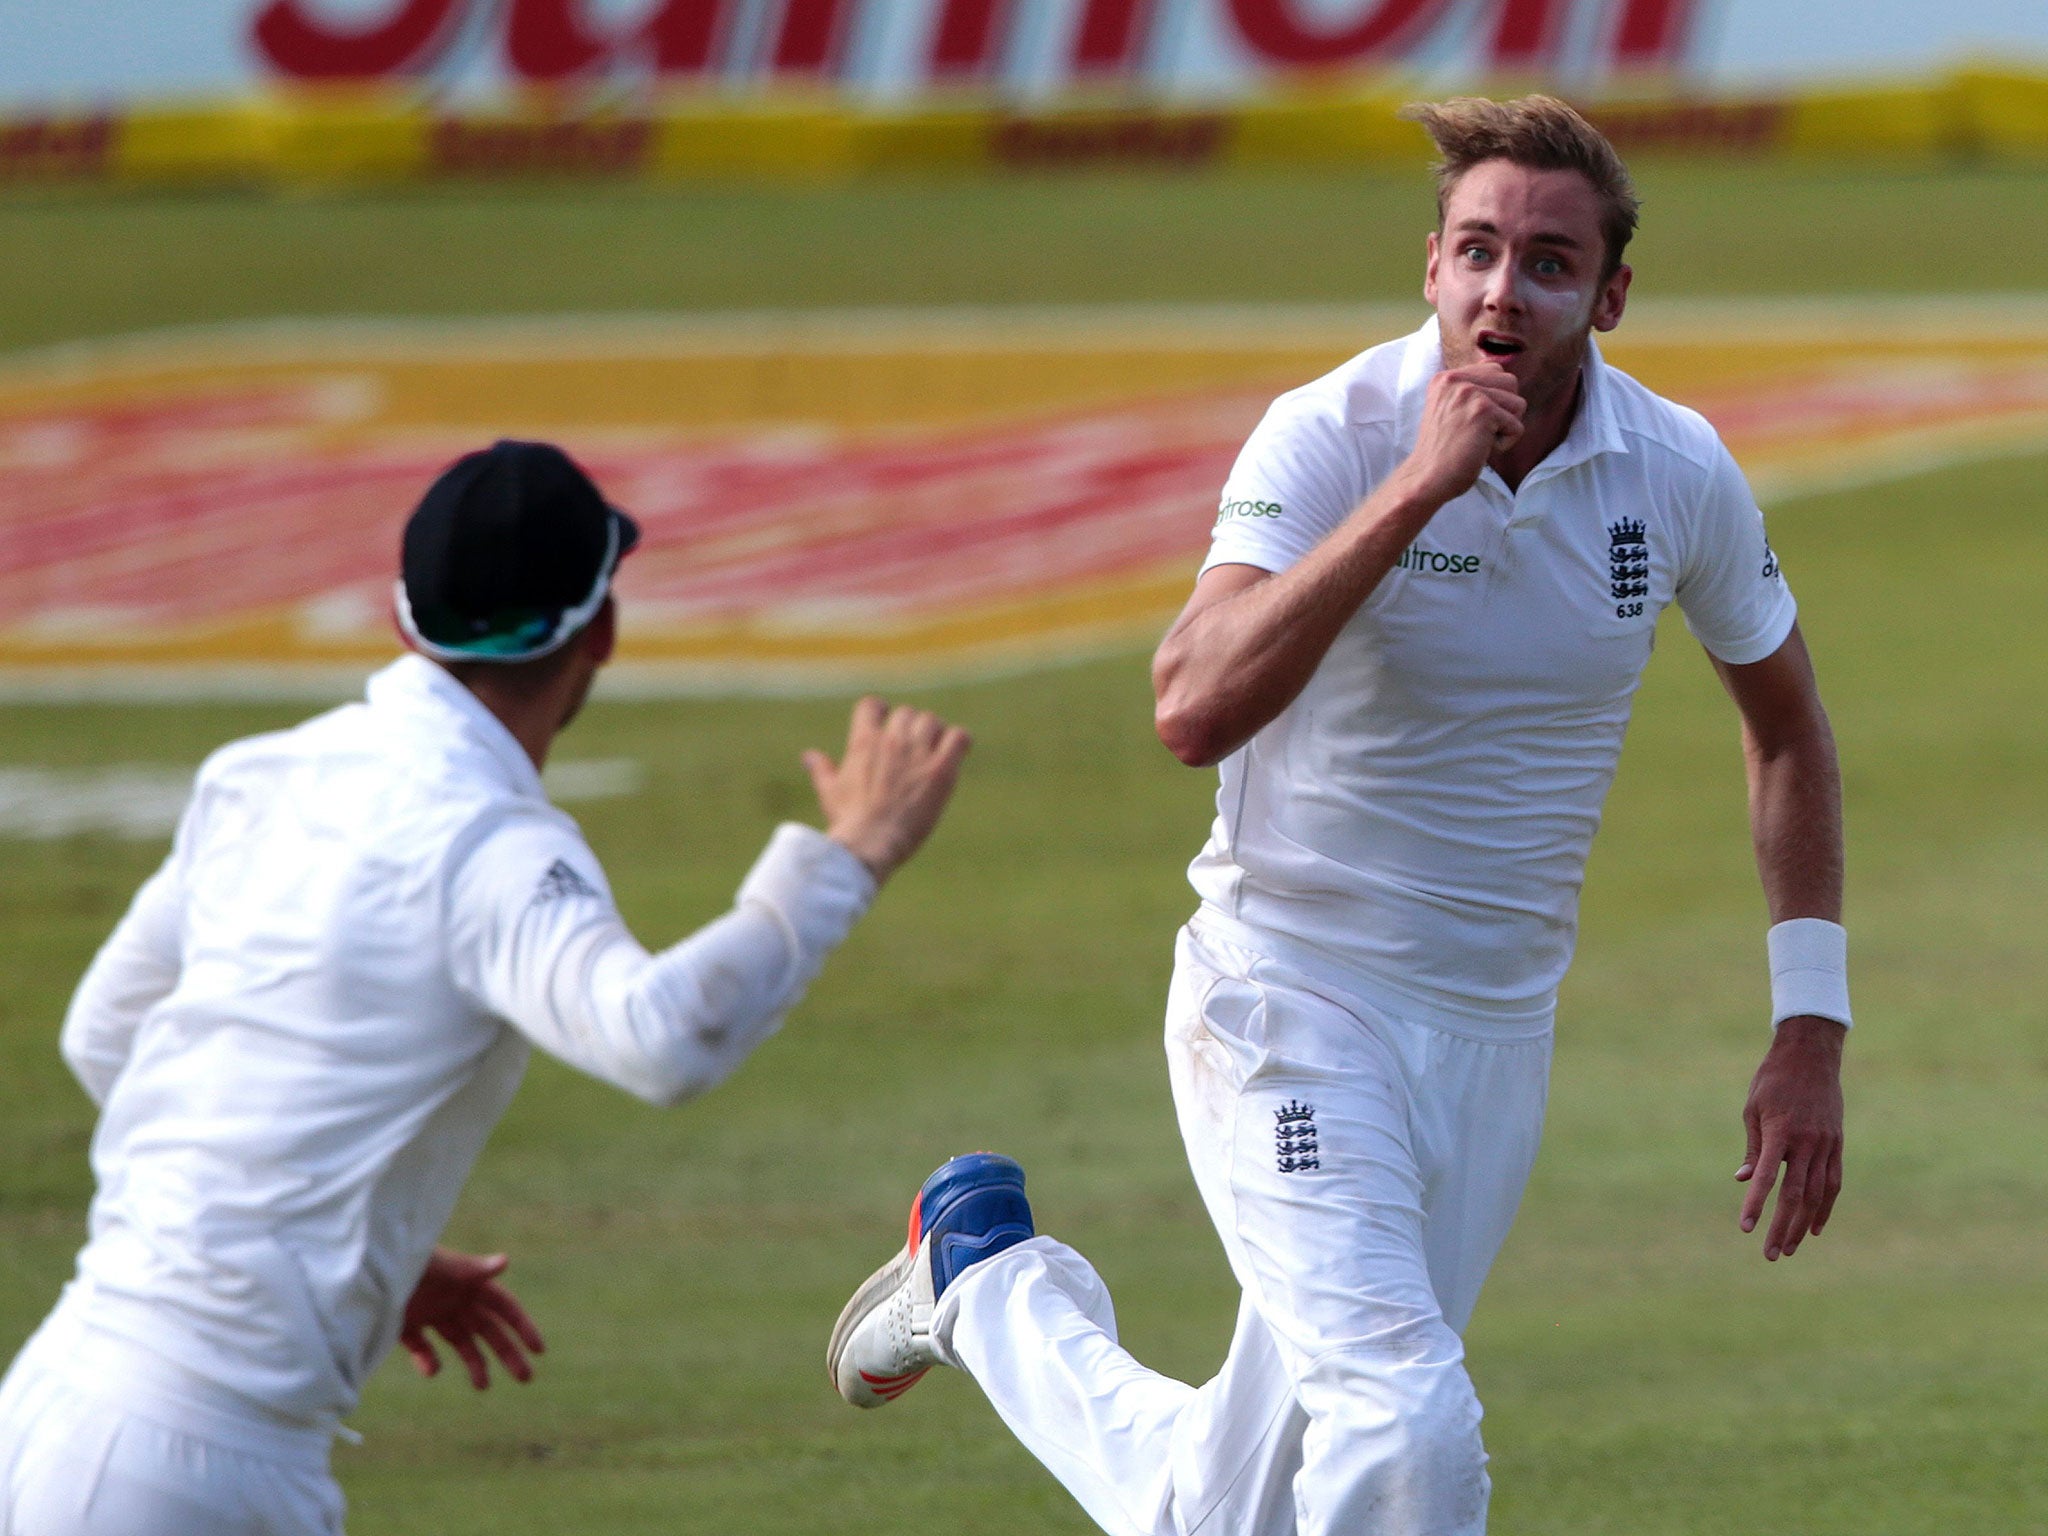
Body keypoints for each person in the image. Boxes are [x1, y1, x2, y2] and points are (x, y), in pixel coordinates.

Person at [827, 95, 1850, 1536]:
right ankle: (986, 1289)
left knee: (1229, 1507)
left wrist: (1811, 1024)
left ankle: (984, 1287)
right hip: (1288, 1006)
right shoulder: (1331, 434)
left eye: (1550, 264)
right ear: (1430, 267)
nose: (1507, 291)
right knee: (1405, 1423)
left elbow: (1788, 729)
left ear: (1610, 296)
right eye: (1479, 251)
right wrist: (1420, 489)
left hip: (1495, 1041)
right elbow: (1190, 706)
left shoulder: (1675, 471)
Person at [0, 439, 971, 1536]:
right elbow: (663, 1037)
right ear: (599, 630)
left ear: (404, 620)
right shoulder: (488, 847)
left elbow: (106, 1036)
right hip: (188, 1474)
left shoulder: (259, 777)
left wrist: (355, 1244)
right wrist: (850, 856)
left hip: (56, 1397)